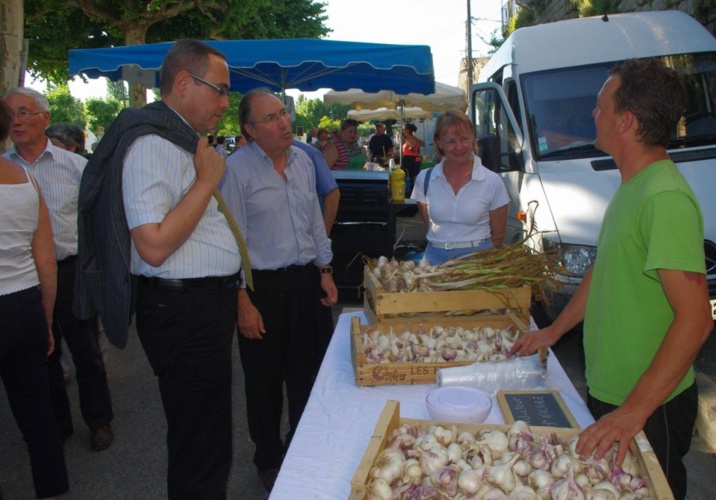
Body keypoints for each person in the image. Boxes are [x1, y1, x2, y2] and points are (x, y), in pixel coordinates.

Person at [511, 59, 713, 500]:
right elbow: (604, 273)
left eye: (600, 107)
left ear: (627, 122)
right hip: (613, 391)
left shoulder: (665, 198)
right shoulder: (633, 186)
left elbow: (696, 319)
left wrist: (634, 411)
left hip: (648, 403)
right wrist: (553, 331)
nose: (592, 115)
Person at [73, 39, 244, 498]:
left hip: (198, 305)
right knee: (199, 443)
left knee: (205, 435)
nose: (226, 103)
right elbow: (152, 245)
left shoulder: (180, 141)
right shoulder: (150, 144)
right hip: (183, 308)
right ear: (185, 83)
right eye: (220, 90)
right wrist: (207, 181)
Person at [219, 88, 338, 492]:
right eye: (270, 118)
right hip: (261, 286)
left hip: (304, 279)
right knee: (264, 380)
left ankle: (302, 448)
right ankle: (269, 457)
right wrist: (241, 301)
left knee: (307, 372)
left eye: (283, 113)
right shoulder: (235, 171)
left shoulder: (304, 160)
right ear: (250, 130)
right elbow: (231, 240)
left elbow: (314, 223)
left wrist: (325, 268)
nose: (283, 122)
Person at [4, 87, 115, 451]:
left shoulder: (76, 167)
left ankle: (98, 420)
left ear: (45, 119)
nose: (16, 121)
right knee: (42, 353)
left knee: (85, 349)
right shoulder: (6, 169)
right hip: (23, 278)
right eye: (11, 114)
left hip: (70, 271)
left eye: (24, 112)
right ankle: (57, 423)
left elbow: (99, 220)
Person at [0, 100, 69, 500]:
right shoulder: (26, 180)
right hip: (24, 304)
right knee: (36, 411)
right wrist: (44, 319)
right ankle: (52, 488)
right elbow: (46, 260)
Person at [410, 110, 508, 265]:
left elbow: (498, 237)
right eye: (451, 141)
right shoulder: (425, 179)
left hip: (477, 263)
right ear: (439, 142)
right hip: (433, 263)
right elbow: (429, 227)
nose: (459, 147)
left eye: (464, 139)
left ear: (472, 138)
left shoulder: (492, 181)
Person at [292, 139, 340, 378]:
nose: (281, 123)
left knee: (315, 346)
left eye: (281, 115)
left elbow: (332, 192)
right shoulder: (241, 163)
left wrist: (323, 238)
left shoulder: (306, 154)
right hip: (269, 274)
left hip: (309, 263)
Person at [402, 122, 423, 191]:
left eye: (404, 129)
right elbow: (421, 143)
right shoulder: (410, 138)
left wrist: (412, 147)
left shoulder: (410, 139)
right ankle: (412, 189)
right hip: (409, 159)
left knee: (410, 175)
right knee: (410, 175)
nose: (403, 131)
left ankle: (412, 190)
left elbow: (414, 146)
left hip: (411, 160)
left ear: (408, 130)